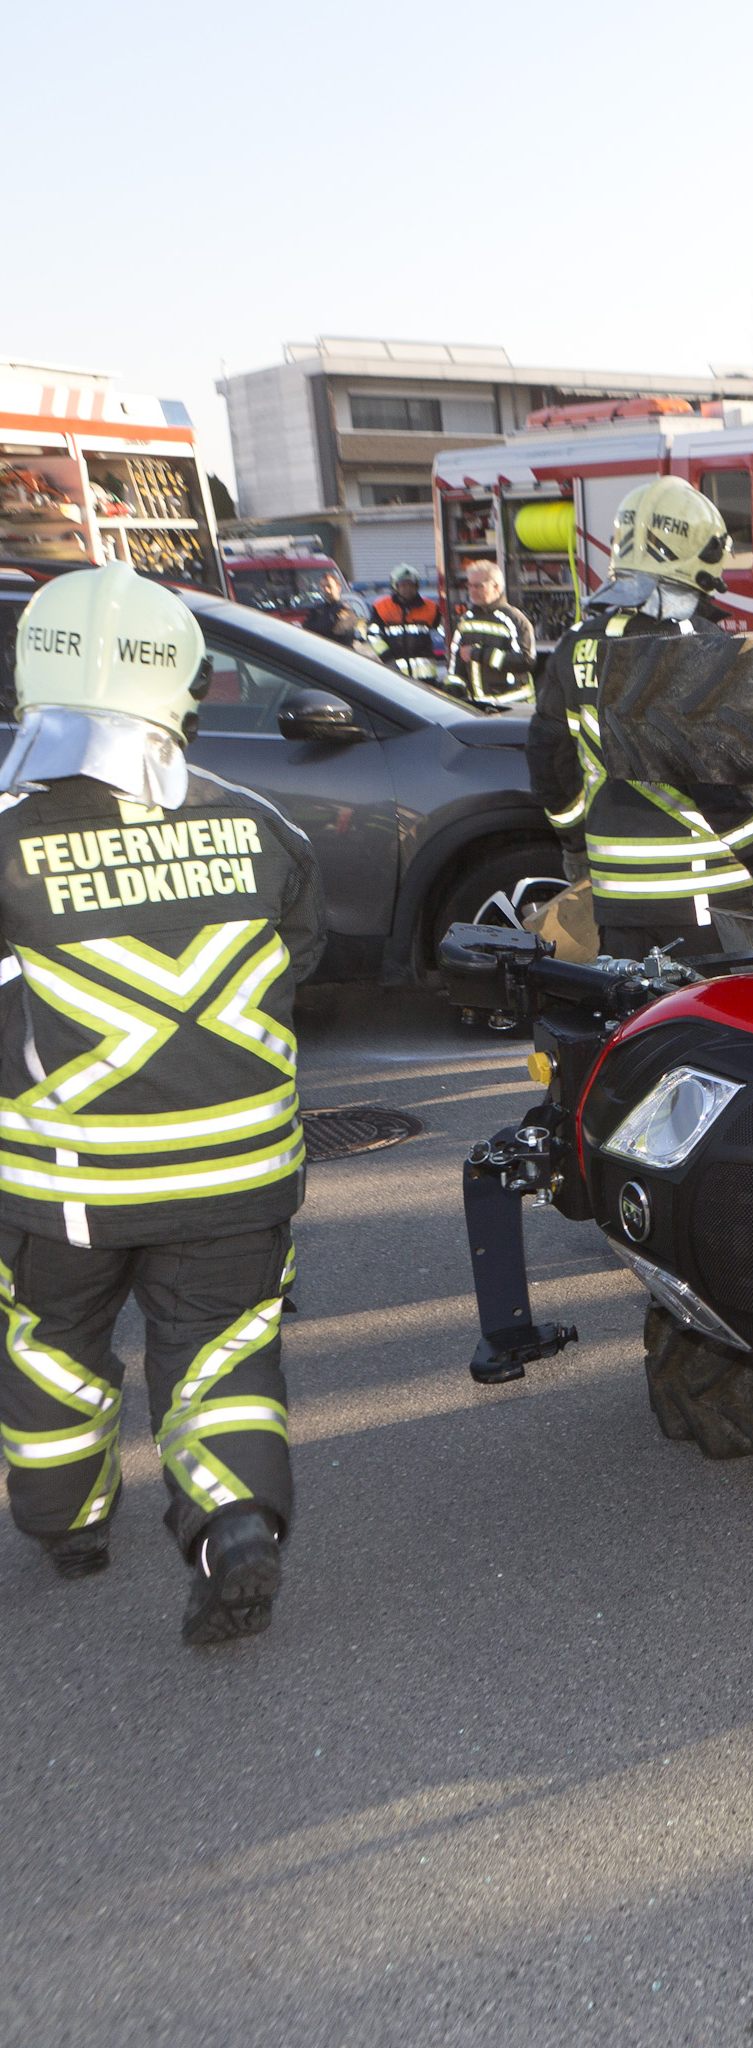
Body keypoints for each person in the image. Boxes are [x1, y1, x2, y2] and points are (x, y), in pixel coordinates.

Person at [0, 564, 324, 1643]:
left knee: (51, 1342)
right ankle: (232, 1523)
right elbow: (305, 955)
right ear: (179, 685)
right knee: (224, 1349)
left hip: (64, 1186)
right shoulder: (263, 824)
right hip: (239, 1171)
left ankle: (71, 1528)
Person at [528, 479, 753, 959]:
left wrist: (573, 841)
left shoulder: (577, 645)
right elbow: (716, 775)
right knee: (714, 1030)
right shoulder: (698, 647)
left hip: (617, 900)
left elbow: (549, 759)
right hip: (709, 897)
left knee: (638, 1026)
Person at [446, 561, 539, 708]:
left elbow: (526, 660)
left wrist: (479, 654)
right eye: (469, 585)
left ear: (496, 587)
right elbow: (455, 662)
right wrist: (453, 688)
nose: (472, 590)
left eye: (478, 586)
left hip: (513, 706)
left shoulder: (514, 619)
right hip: (479, 708)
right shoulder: (466, 620)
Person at [369, 565, 444, 680]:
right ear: (395, 586)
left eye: (411, 585)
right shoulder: (382, 608)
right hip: (395, 676)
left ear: (416, 586)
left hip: (426, 678)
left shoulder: (431, 608)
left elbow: (445, 632)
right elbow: (373, 636)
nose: (407, 589)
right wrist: (388, 659)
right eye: (403, 585)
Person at [298, 570, 366, 652]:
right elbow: (306, 629)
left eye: (329, 586)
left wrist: (319, 628)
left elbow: (337, 632)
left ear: (338, 588)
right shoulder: (317, 609)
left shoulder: (346, 610)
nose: (326, 590)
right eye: (323, 587)